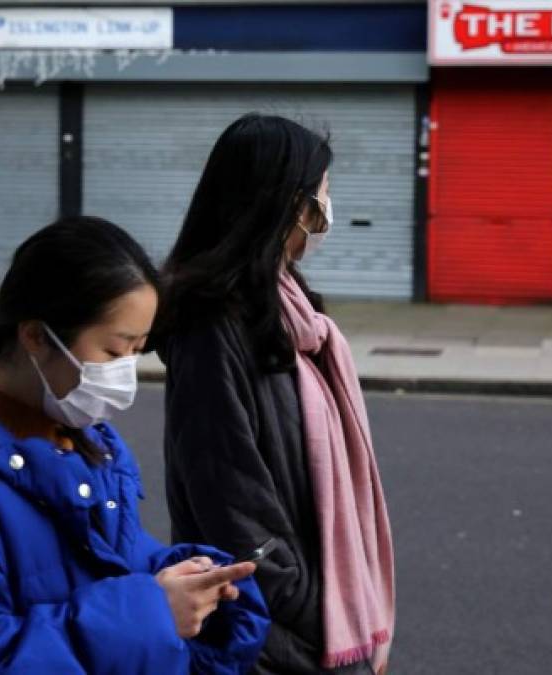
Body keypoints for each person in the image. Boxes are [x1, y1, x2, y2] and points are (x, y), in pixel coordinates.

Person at [0, 216, 269, 674]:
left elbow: (105, 567)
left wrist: (190, 579)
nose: (125, 373)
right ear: (36, 336)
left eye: (139, 351)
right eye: (114, 352)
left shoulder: (89, 448)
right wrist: (152, 615)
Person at [155, 114, 395, 674]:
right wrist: (319, 612)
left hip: (311, 625)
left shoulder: (291, 311)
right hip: (269, 634)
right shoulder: (211, 326)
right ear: (286, 205)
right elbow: (229, 499)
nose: (325, 215)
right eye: (321, 199)